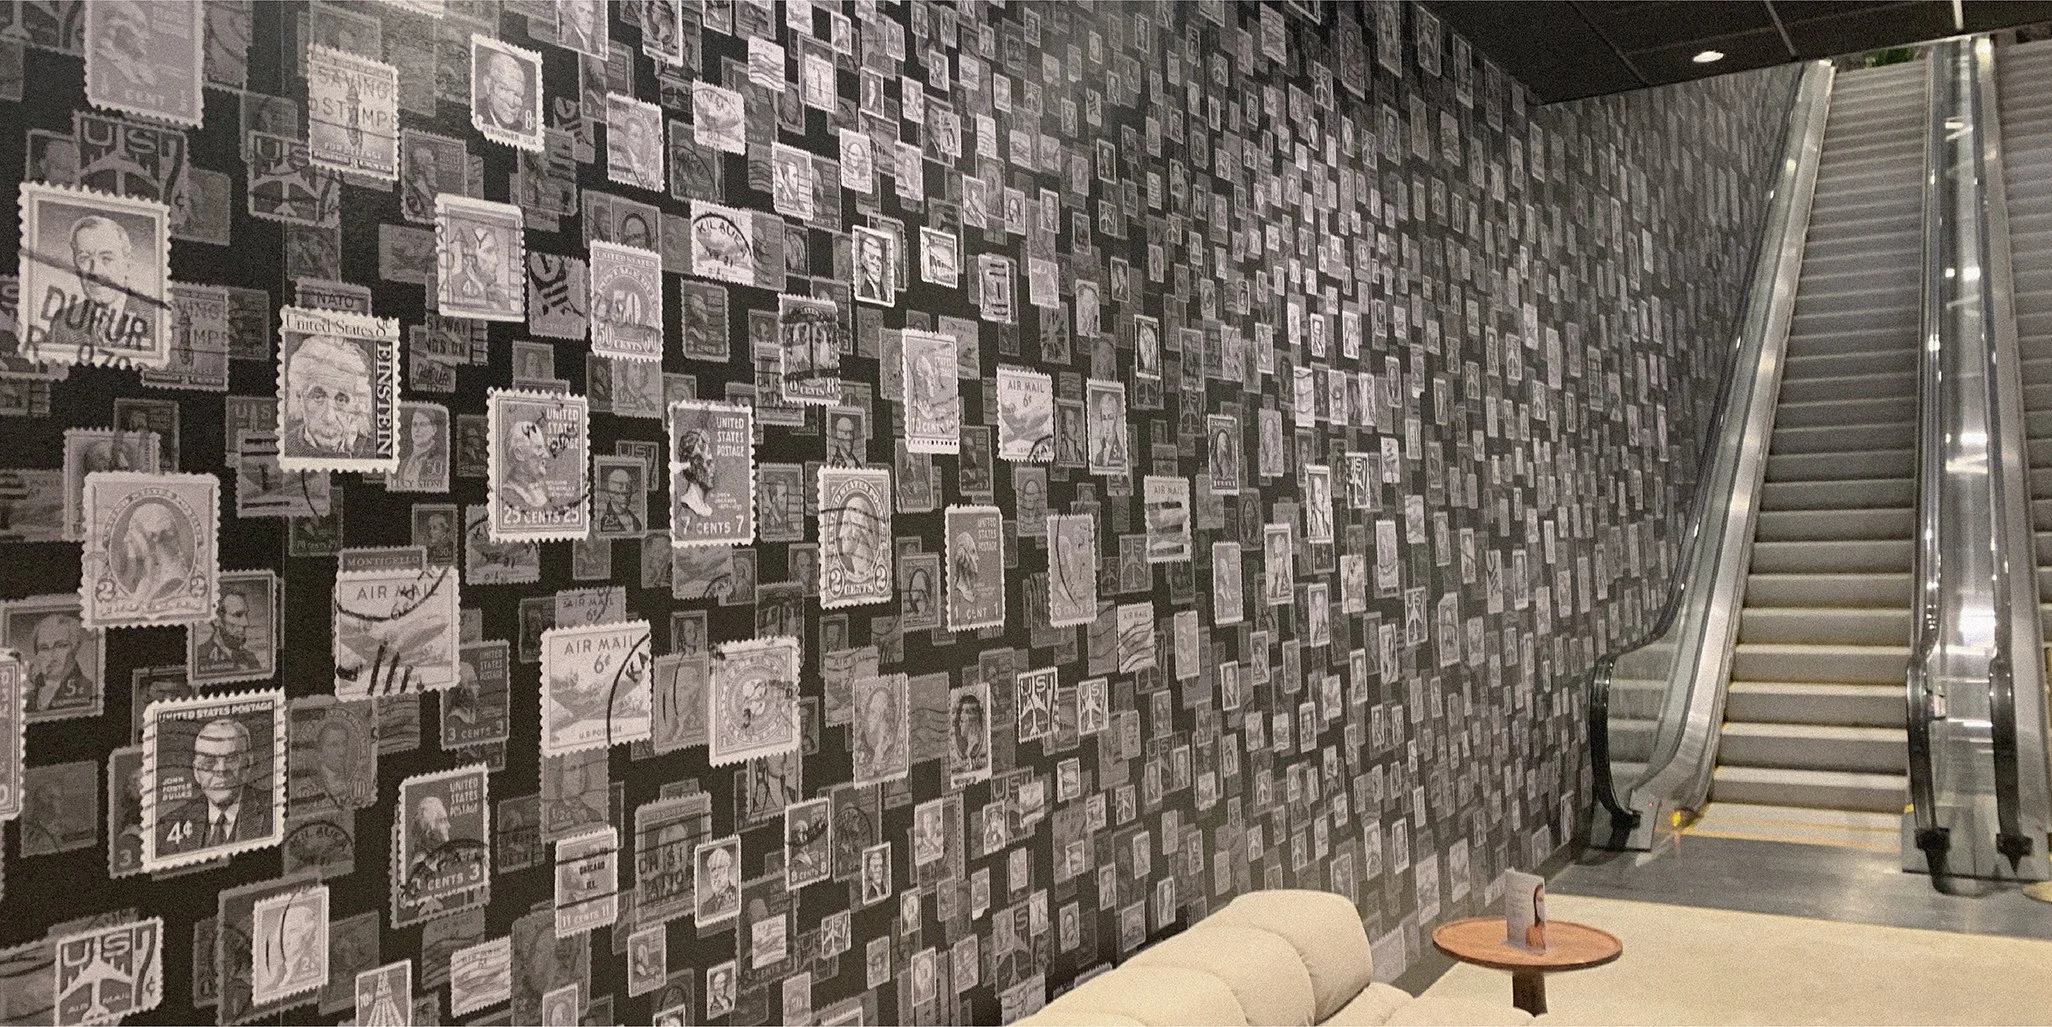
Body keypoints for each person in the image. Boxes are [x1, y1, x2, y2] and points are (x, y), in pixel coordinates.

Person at [33, 214, 157, 359]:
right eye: (84, 259)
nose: (95, 271)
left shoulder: (156, 320)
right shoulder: (62, 323)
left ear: (128, 263)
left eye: (106, 258)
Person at [163, 716, 271, 854]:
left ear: (248, 764)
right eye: (209, 762)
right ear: (196, 771)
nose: (221, 770)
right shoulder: (168, 825)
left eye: (231, 759)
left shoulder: (274, 810)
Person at [283, 335, 377, 459]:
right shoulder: (285, 448)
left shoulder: (372, 451)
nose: (329, 418)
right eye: (318, 398)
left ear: (357, 403)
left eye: (341, 400)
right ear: (299, 397)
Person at [114, 500, 191, 604]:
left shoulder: (172, 584)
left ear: (153, 537)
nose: (126, 539)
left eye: (132, 531)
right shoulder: (150, 578)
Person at [24, 610, 92, 715]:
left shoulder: (89, 691)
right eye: (44, 648)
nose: (51, 656)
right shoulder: (26, 699)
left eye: (61, 646)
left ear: (75, 648)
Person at [195, 586, 262, 675]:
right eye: (237, 615)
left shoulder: (251, 658)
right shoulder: (198, 656)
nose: (246, 623)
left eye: (246, 615)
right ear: (216, 620)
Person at [474, 47, 535, 137]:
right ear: (488, 83)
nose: (511, 103)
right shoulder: (475, 112)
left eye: (518, 95)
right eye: (504, 89)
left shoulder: (521, 129)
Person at [501, 420, 555, 510]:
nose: (546, 455)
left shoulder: (541, 490)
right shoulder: (508, 493)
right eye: (539, 448)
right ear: (519, 454)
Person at [672, 427, 717, 519]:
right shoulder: (687, 506)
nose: (713, 469)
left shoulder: (705, 508)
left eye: (711, 462)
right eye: (708, 463)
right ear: (693, 467)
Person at [398, 407, 445, 486]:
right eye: (414, 424)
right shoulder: (404, 463)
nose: (416, 430)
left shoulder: (442, 461)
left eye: (423, 424)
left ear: (434, 429)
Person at [597, 467, 643, 534]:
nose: (625, 492)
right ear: (610, 493)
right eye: (620, 487)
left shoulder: (635, 520)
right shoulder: (603, 523)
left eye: (628, 487)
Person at [854, 229, 890, 303]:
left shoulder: (885, 295)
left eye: (879, 259)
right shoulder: (862, 291)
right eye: (872, 257)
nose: (877, 264)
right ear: (863, 261)